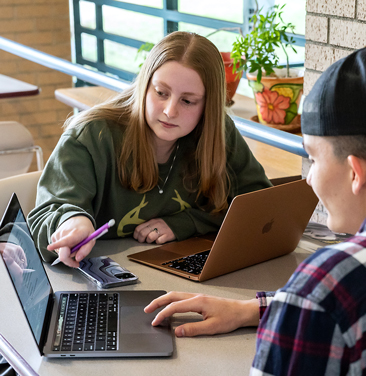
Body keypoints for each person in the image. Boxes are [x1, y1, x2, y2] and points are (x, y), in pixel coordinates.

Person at [144, 48, 366, 375]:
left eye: (314, 159)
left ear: (355, 173)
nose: (309, 176)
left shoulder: (325, 285)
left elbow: (321, 301)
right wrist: (253, 309)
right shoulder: (323, 295)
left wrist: (296, 303)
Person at [27, 31, 271, 266]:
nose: (169, 111)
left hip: (173, 272)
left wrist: (186, 223)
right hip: (95, 278)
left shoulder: (217, 131)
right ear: (145, 85)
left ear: (209, 107)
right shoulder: (92, 135)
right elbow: (47, 214)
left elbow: (261, 207)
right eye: (161, 93)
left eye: (187, 101)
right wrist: (73, 222)